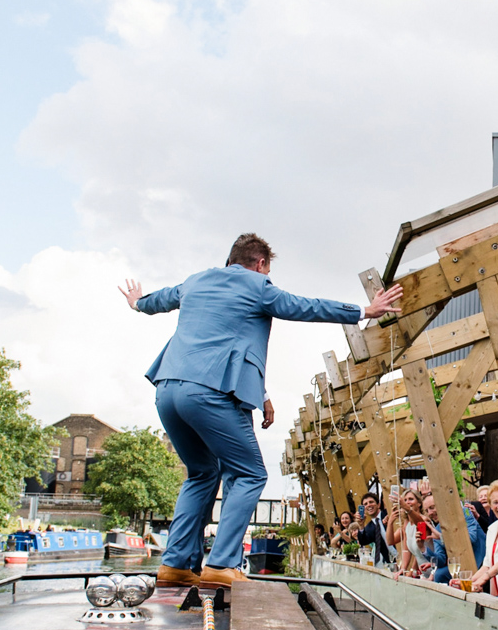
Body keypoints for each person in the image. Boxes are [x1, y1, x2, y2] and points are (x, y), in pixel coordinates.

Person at [122, 233, 403, 587]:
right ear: (261, 264)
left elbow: (157, 302)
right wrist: (365, 310)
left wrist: (137, 302)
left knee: (201, 473)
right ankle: (222, 564)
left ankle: (175, 564)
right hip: (211, 394)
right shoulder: (258, 286)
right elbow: (306, 306)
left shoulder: (195, 281)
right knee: (249, 473)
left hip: (168, 390)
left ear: (230, 260)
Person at [386, 488, 429, 575]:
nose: (407, 502)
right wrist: (403, 569)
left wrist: (406, 506)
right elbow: (406, 550)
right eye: (405, 500)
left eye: (411, 499)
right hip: (422, 574)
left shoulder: (424, 520)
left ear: (419, 504)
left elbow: (420, 523)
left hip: (432, 571)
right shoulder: (407, 524)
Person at [420, 494, 452, 584]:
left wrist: (442, 537)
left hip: (476, 561)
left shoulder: (463, 516)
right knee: (439, 574)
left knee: (440, 574)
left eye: (432, 507)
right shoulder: (436, 529)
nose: (429, 513)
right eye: (427, 510)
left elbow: (470, 539)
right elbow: (441, 560)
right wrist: (422, 548)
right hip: (451, 566)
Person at [355, 493, 392, 565]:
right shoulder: (369, 527)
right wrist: (361, 525)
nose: (368, 505)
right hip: (388, 562)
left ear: (378, 505)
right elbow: (363, 541)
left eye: (371, 502)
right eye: (365, 504)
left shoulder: (388, 514)